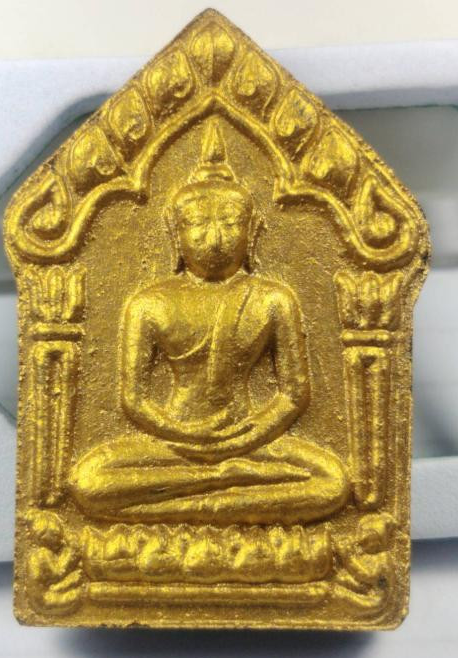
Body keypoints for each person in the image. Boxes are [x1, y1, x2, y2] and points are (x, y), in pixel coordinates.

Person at [69, 120, 349, 524]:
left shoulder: (273, 299)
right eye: (198, 223)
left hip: (249, 439)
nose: (214, 237)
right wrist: (186, 435)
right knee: (88, 480)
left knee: (334, 481)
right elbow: (135, 399)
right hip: (175, 441)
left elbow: (293, 394)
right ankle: (227, 487)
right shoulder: (149, 303)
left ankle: (188, 502)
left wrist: (247, 437)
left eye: (230, 222)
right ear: (175, 233)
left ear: (252, 232)